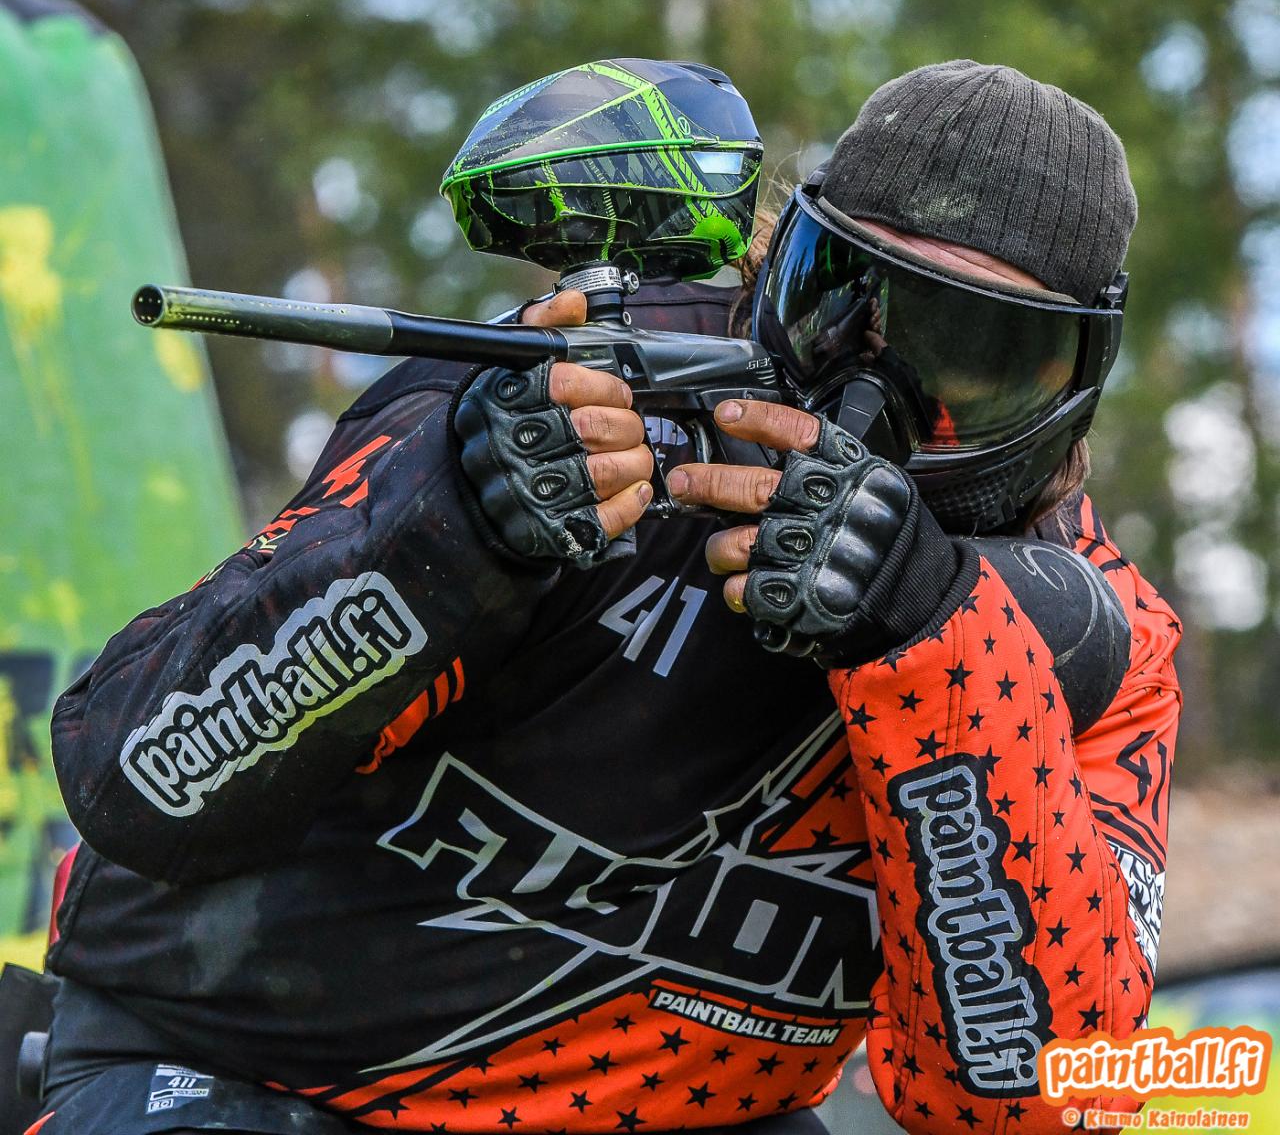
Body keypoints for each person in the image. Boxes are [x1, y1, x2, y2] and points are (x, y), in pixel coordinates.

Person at [32, 60, 1179, 1135]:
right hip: (248, 1074)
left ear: (1070, 386)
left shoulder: (1096, 638)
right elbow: (141, 775)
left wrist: (932, 640)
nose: (870, 390)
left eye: (968, 356)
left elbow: (1033, 1100)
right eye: (843, 305)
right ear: (779, 260)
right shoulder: (573, 394)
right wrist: (449, 528)